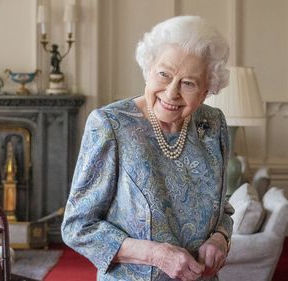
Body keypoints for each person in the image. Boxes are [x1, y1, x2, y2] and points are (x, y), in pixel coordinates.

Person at [61, 15, 234, 281]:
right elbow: (77, 227)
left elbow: (223, 206)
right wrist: (156, 255)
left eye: (188, 83)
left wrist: (220, 239)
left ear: (207, 90)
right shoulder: (110, 125)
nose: (171, 92)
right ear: (148, 68)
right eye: (164, 74)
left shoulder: (213, 125)